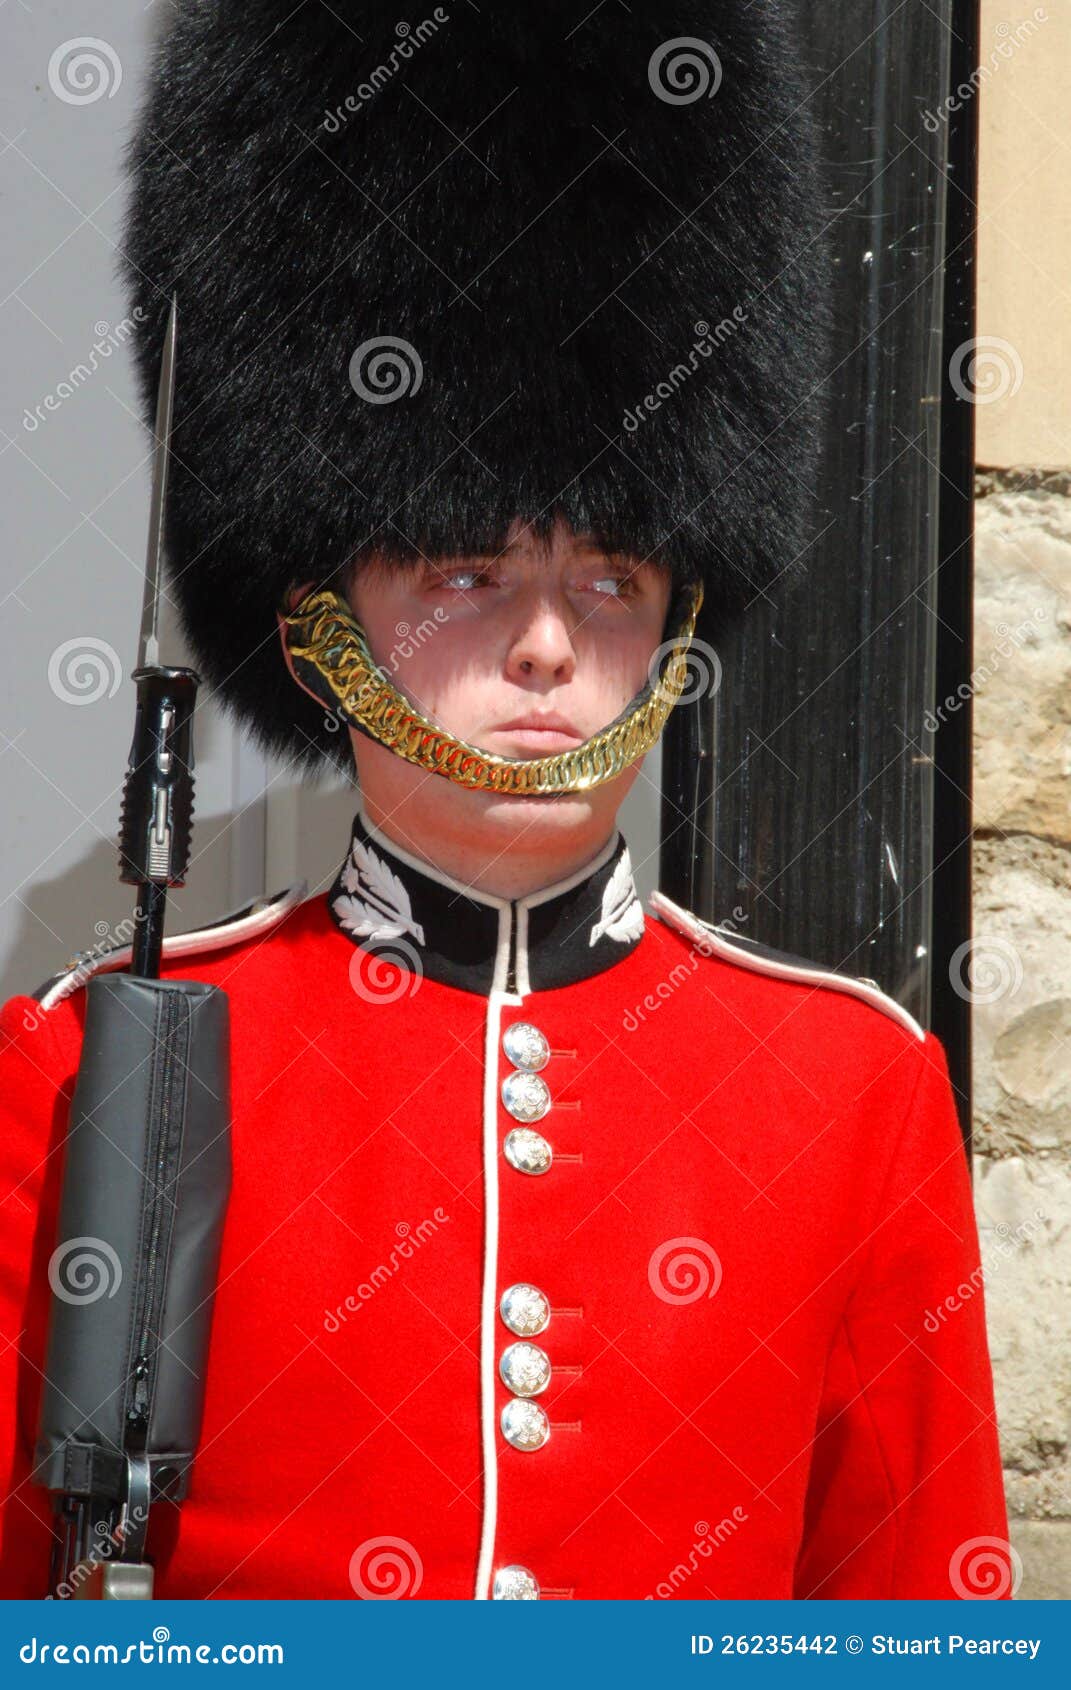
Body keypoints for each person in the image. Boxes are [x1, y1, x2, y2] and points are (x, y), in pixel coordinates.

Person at [0, 2, 1011, 1600]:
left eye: (609, 575)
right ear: (325, 607)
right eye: (468, 569)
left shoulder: (855, 1091)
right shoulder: (83, 1062)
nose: (548, 642)